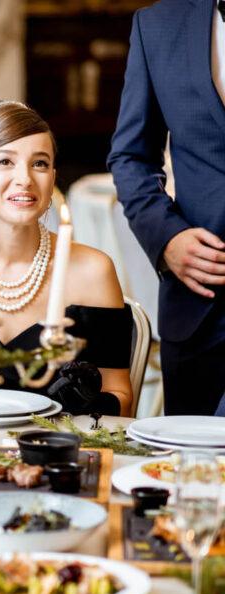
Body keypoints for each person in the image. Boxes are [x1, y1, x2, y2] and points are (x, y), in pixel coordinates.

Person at [0, 100, 132, 416]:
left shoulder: (92, 271)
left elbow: (122, 398)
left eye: (40, 163)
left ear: (52, 177)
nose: (25, 179)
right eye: (5, 161)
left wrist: (84, 403)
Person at [107, 0, 225, 417]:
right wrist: (167, 237)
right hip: (199, 310)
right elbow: (131, 156)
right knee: (191, 470)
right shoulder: (156, 25)